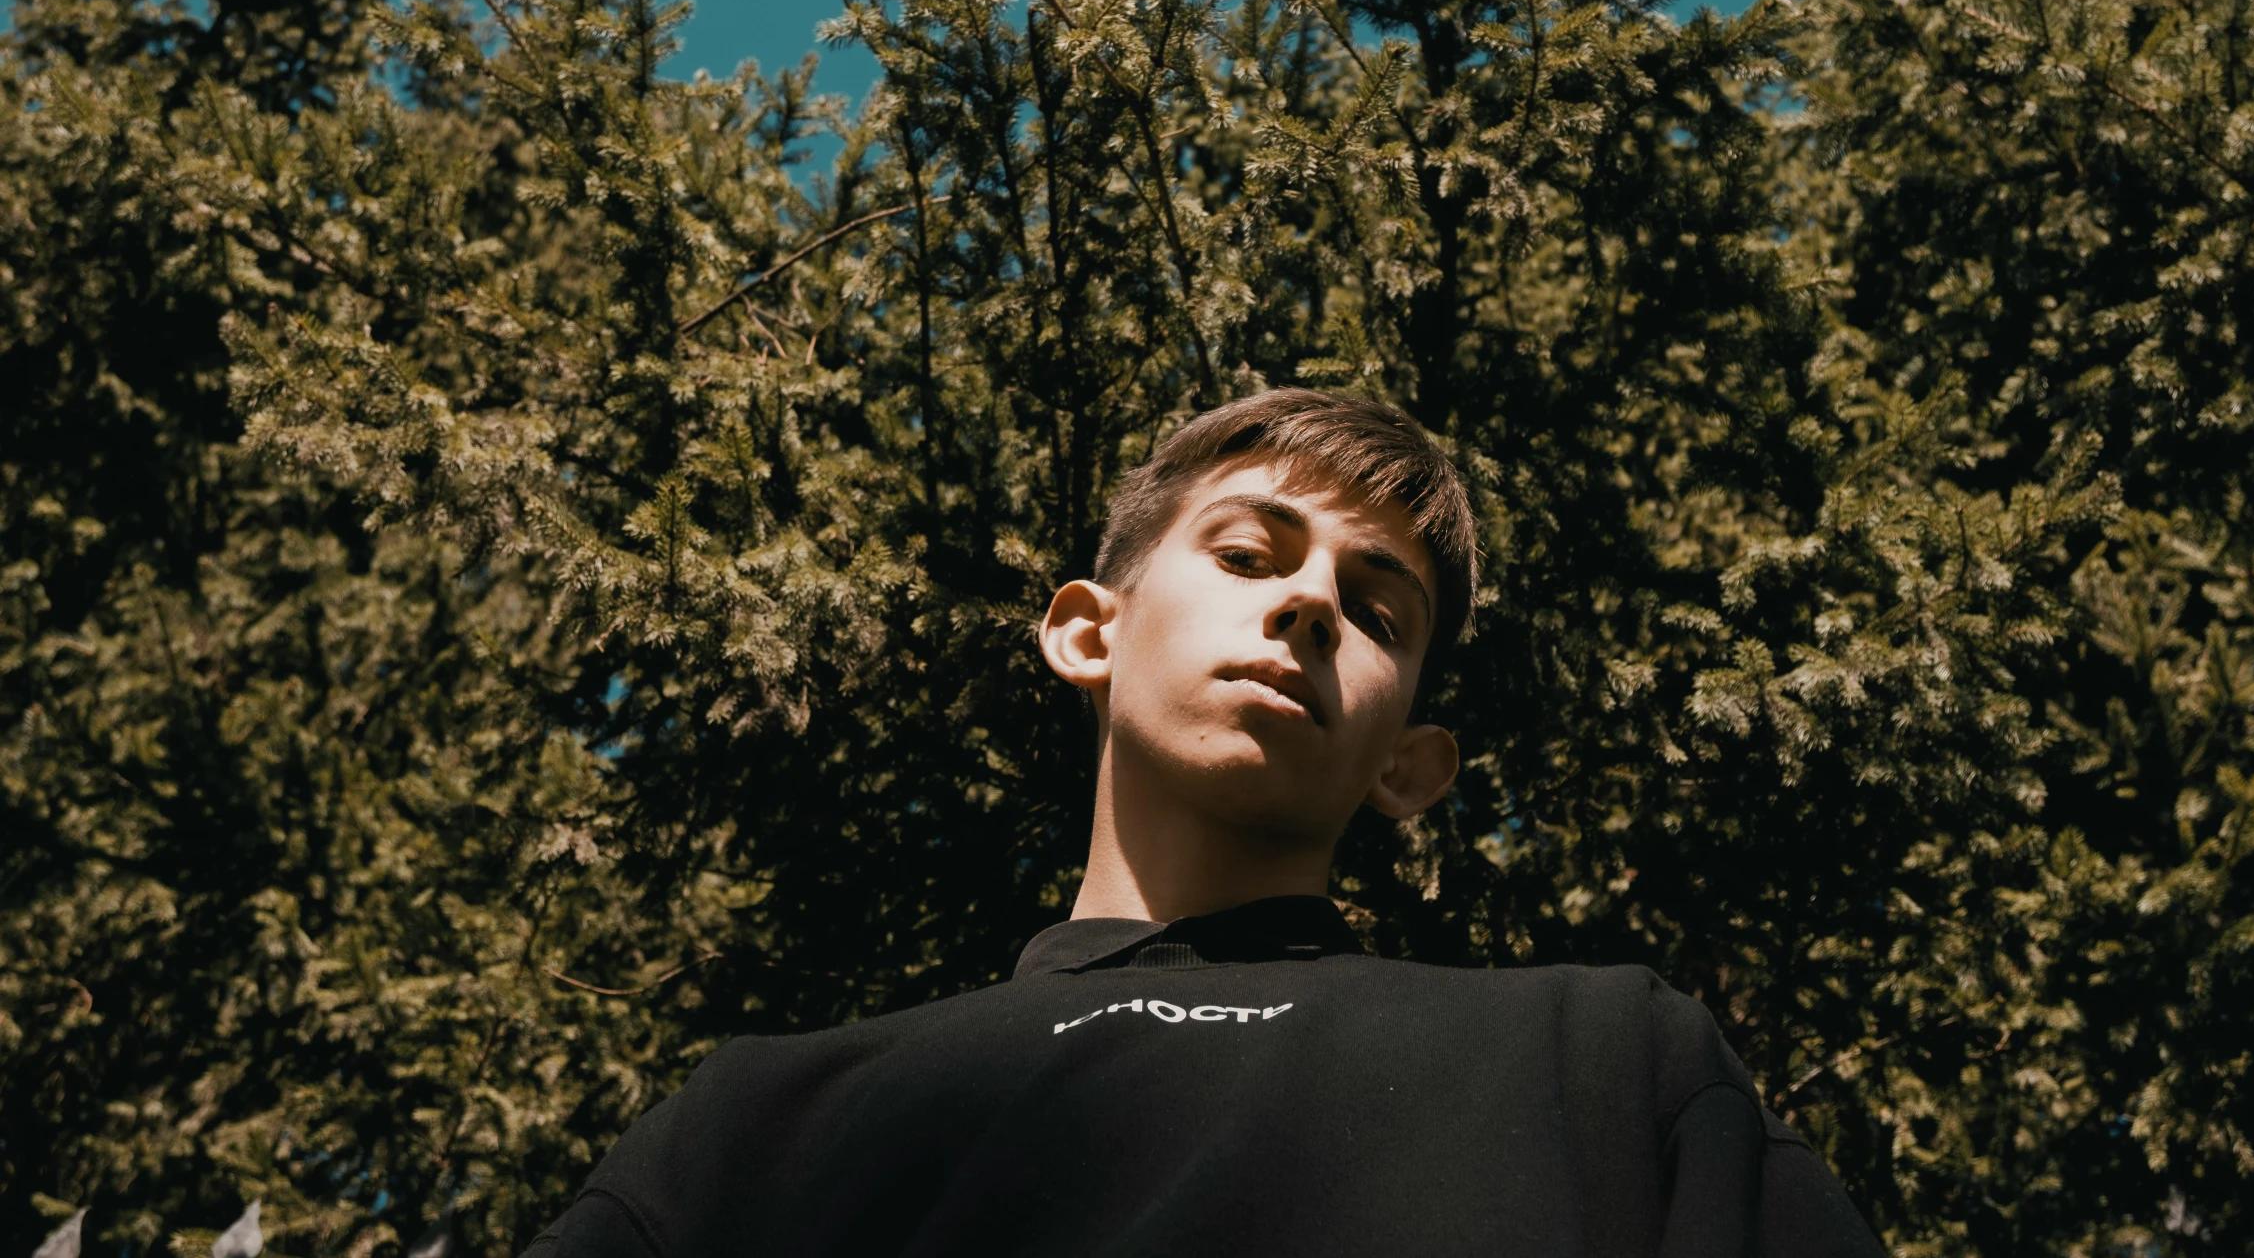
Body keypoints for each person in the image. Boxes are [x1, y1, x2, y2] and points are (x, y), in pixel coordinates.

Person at [526, 388, 1882, 1256]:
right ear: (1083, 630)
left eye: (1375, 609)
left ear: (1410, 763)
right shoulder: (764, 1117)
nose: (1306, 608)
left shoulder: (1604, 1064)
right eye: (1248, 553)